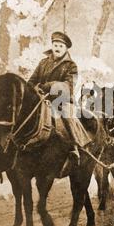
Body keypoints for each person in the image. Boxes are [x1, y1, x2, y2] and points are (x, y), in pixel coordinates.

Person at [27, 31, 91, 168]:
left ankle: (74, 146)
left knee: (67, 115)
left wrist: (48, 86)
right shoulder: (43, 63)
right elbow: (31, 81)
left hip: (61, 99)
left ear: (66, 48)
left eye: (61, 46)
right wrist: (34, 89)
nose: (57, 48)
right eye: (55, 44)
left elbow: (68, 86)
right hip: (40, 98)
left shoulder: (70, 65)